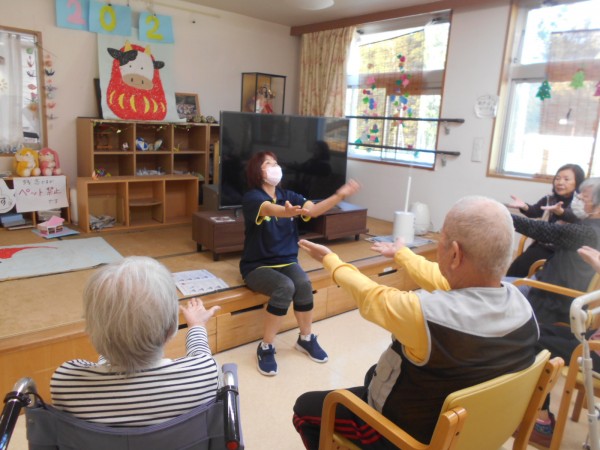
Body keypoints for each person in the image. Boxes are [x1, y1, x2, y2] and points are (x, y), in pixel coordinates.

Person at [292, 196, 539, 449]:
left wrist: (331, 261)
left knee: (305, 409)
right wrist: (402, 255)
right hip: (471, 432)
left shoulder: (426, 316)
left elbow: (372, 296)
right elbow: (443, 280)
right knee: (372, 373)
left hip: (406, 437)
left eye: (441, 238)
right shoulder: (524, 308)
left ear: (454, 253)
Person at [50, 256, 221, 426]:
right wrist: (197, 325)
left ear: (91, 330)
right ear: (171, 328)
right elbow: (201, 355)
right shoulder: (204, 373)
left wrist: (113, 339)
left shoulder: (65, 381)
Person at [240, 151, 360, 376]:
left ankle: (305, 338)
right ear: (258, 171)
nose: (275, 167)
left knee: (303, 283)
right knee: (285, 286)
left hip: (286, 260)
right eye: (268, 164)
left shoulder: (288, 195)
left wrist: (339, 195)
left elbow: (313, 211)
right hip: (257, 266)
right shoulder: (252, 198)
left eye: (276, 163)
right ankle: (266, 346)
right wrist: (285, 212)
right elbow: (268, 209)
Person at [528, 245, 600, 447]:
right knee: (533, 332)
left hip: (595, 351)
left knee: (536, 346)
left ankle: (541, 424)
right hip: (593, 340)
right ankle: (533, 412)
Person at [511, 177, 600, 325]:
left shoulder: (588, 232)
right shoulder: (591, 225)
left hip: (552, 296)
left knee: (496, 291)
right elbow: (570, 219)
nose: (578, 199)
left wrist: (501, 215)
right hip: (550, 283)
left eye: (584, 197)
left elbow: (542, 230)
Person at [507, 163, 585, 277]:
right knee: (517, 268)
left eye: (566, 179)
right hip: (544, 245)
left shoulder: (581, 203)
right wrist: (524, 206)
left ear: (577, 183)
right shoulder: (549, 199)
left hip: (564, 250)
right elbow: (535, 211)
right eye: (557, 178)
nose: (560, 182)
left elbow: (575, 216)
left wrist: (561, 212)